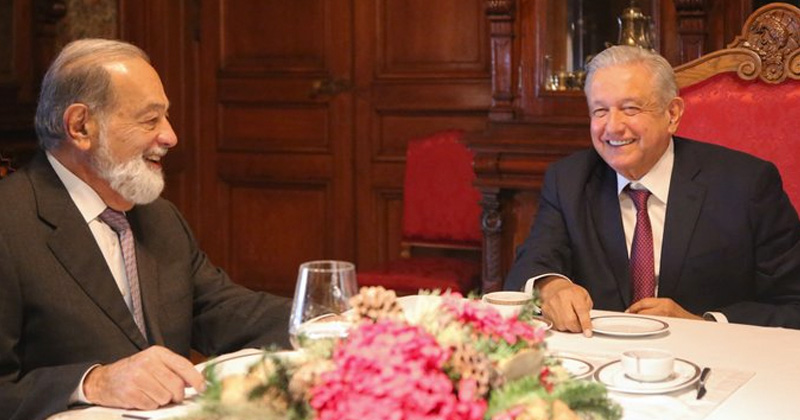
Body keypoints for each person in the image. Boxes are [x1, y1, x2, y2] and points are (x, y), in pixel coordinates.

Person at [0, 39, 292, 420]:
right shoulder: (10, 224)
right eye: (150, 120)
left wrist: (334, 320)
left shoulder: (158, 217)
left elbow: (220, 310)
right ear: (80, 127)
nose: (170, 136)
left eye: (165, 117)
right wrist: (92, 382)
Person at [504, 45, 800, 335]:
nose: (612, 127)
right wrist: (552, 287)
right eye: (600, 111)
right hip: (599, 355)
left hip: (711, 356)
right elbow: (531, 263)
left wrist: (702, 323)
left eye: (630, 109)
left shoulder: (746, 184)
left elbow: (793, 303)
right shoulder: (569, 180)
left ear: (672, 114)